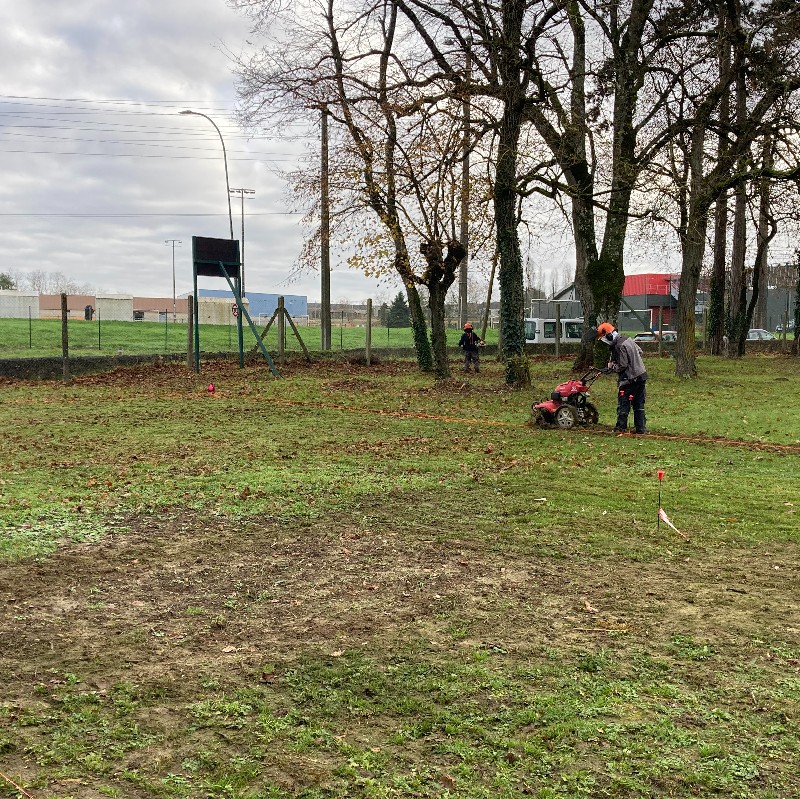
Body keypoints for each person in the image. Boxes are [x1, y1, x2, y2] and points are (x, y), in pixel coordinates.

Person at [596, 322, 648, 434]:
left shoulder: (619, 346)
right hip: (641, 376)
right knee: (638, 404)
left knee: (623, 403)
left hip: (630, 379)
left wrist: (612, 367)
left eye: (604, 338)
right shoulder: (627, 339)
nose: (604, 341)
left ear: (608, 336)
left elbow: (622, 365)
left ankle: (620, 428)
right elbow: (640, 352)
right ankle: (641, 428)